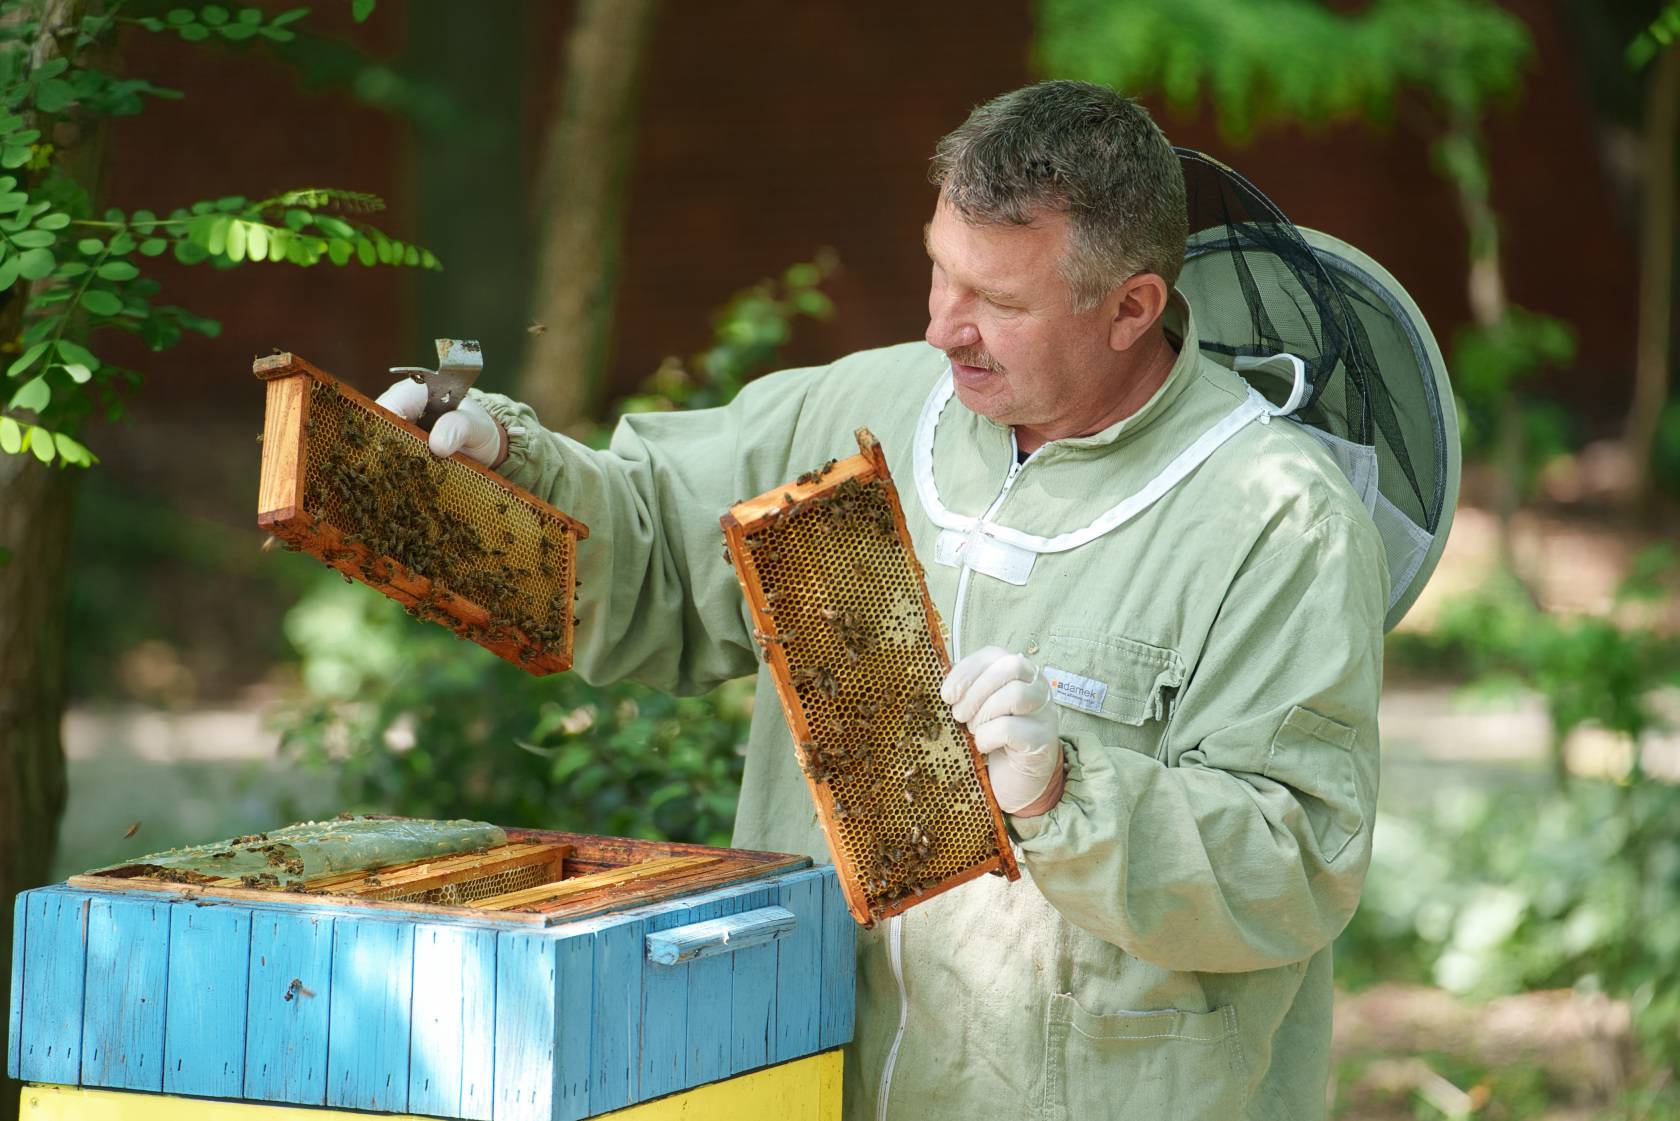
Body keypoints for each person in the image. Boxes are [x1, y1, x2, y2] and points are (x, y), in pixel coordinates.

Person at [379, 80, 1386, 1121]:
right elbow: (656, 547)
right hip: (817, 1081)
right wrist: (510, 472)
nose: (944, 327)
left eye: (998, 301)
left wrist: (1065, 793)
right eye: (940, 268)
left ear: (1132, 307)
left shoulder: (1272, 516)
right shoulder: (871, 405)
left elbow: (1295, 860)